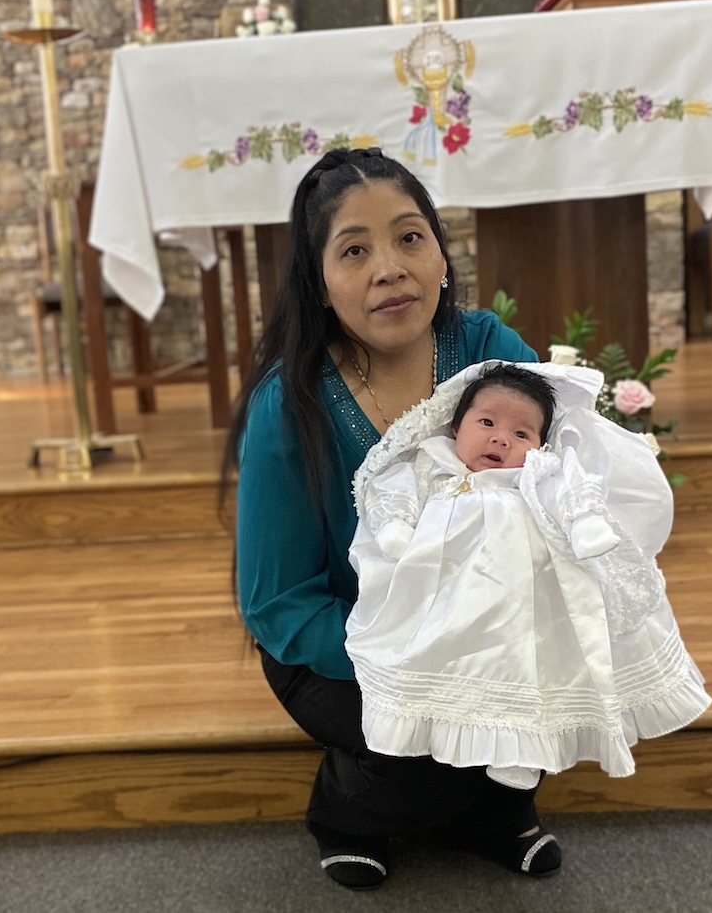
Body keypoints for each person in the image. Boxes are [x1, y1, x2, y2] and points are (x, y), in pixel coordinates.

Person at [225, 147, 557, 891]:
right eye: (354, 250)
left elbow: (558, 479)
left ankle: (494, 808)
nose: (389, 268)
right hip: (342, 642)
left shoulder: (489, 354)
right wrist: (410, 656)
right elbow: (277, 603)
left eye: (410, 237)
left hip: (484, 623)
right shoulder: (291, 402)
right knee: (417, 750)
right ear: (318, 281)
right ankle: (347, 810)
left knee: (565, 663)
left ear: (439, 252)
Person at [345, 361, 711, 791]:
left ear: (540, 445)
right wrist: (396, 525)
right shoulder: (432, 460)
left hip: (521, 598)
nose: (502, 438)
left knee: (524, 666)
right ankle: (421, 728)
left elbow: (568, 488)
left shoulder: (535, 474)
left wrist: (584, 522)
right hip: (446, 594)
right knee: (444, 660)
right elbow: (393, 488)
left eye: (522, 434)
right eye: (486, 423)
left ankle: (522, 749)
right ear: (456, 427)